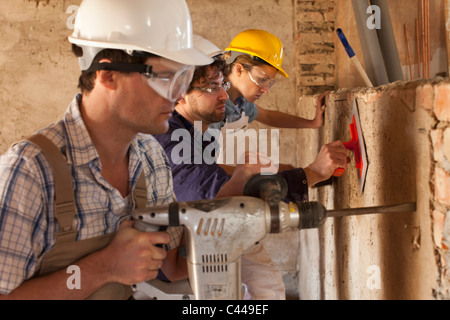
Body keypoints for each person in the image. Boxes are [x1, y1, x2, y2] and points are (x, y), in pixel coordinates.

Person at [0, 0, 215, 300]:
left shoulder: (151, 159)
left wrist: (232, 216)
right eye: (165, 77)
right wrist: (105, 267)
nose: (179, 94)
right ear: (107, 74)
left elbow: (173, 266)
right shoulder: (31, 170)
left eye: (183, 77)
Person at [153, 53, 348, 299]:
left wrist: (257, 171)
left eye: (222, 85)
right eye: (213, 87)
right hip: (176, 249)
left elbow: (211, 174)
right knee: (263, 282)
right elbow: (218, 200)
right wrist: (311, 174)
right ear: (179, 93)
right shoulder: (170, 137)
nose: (224, 95)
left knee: (265, 280)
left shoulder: (189, 128)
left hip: (194, 232)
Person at [211, 29, 326, 132]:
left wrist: (313, 123)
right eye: (261, 80)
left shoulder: (240, 101)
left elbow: (267, 116)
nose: (265, 90)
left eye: (269, 83)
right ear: (239, 70)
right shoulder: (210, 102)